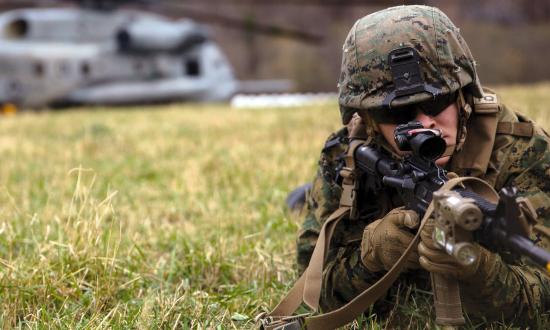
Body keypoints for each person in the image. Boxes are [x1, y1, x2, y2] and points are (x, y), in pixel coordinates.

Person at [296, 4, 550, 326]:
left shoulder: (524, 152)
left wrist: (480, 269)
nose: (425, 125)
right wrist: (370, 256)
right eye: (398, 115)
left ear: (462, 93)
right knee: (304, 201)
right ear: (369, 118)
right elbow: (312, 286)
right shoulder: (348, 155)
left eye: (435, 102)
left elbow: (542, 297)